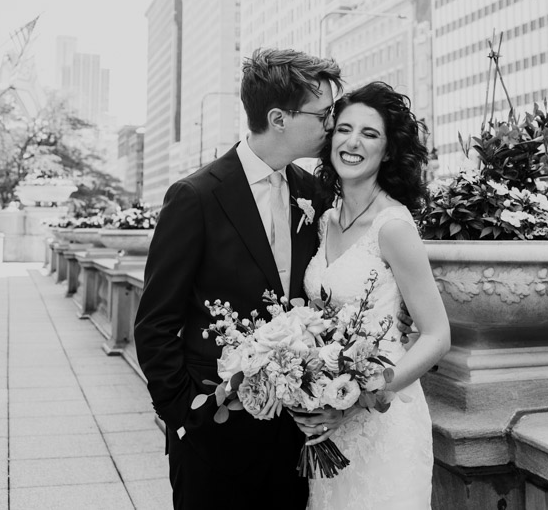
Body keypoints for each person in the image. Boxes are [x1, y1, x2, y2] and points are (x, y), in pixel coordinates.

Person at [134, 48, 342, 510]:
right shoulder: (195, 196)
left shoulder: (314, 193)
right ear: (279, 118)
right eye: (323, 114)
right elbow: (154, 322)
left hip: (293, 435)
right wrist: (189, 416)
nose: (330, 124)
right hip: (213, 437)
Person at [291, 81, 451, 509]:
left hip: (384, 418)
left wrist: (368, 393)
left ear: (388, 150)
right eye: (344, 129)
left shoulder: (393, 226)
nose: (352, 142)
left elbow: (437, 335)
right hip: (330, 420)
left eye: (370, 133)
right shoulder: (324, 220)